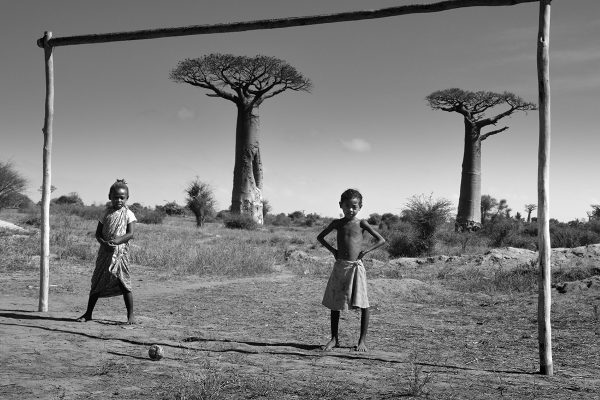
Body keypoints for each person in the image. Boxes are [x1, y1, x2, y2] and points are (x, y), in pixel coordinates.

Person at [317, 189, 386, 352]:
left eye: (354, 206)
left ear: (360, 207)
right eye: (347, 206)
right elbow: (320, 237)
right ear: (341, 205)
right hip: (341, 266)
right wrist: (333, 251)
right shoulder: (337, 223)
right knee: (335, 303)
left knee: (363, 304)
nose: (350, 210)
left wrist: (366, 251)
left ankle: (362, 341)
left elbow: (381, 240)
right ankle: (334, 339)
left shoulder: (362, 224)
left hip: (356, 267)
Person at [77, 179, 137, 324]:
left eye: (122, 197)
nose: (119, 200)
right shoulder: (105, 213)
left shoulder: (129, 214)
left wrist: (116, 242)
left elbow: (130, 234)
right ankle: (88, 313)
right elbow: (98, 234)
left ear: (127, 198)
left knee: (124, 283)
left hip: (120, 254)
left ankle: (131, 316)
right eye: (115, 197)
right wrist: (103, 243)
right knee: (97, 281)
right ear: (109, 196)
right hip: (104, 253)